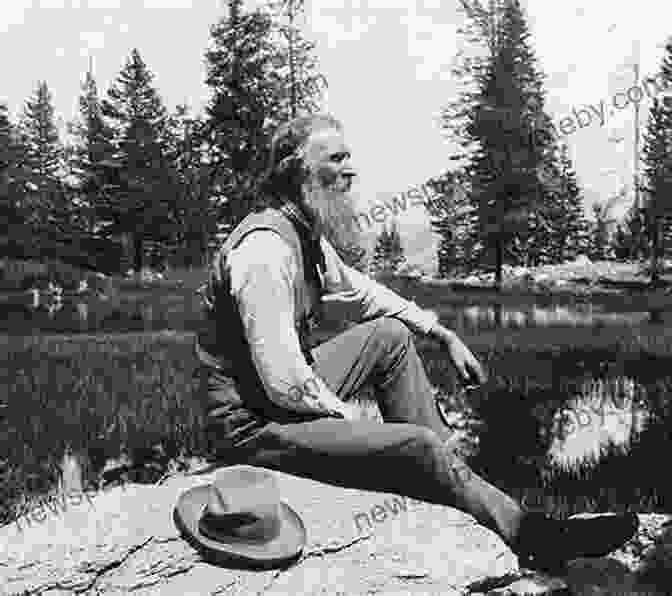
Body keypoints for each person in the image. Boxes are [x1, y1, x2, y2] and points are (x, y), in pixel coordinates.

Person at [195, 113, 638, 572]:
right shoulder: (265, 251)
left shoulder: (303, 235)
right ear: (297, 171)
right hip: (251, 426)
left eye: (350, 158)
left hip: (275, 398)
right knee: (416, 446)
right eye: (337, 159)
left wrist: (442, 334)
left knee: (390, 336)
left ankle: (449, 475)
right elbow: (285, 383)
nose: (351, 170)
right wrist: (359, 427)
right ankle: (533, 534)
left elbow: (364, 294)